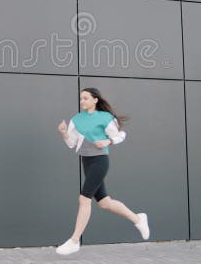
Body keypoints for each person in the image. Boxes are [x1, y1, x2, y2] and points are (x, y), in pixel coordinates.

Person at [54, 87, 150, 255]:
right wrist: (63, 133)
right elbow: (71, 143)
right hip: (86, 161)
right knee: (104, 202)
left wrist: (107, 142)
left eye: (85, 98)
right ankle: (138, 219)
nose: (82, 101)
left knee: (84, 199)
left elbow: (121, 135)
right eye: (81, 98)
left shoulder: (105, 117)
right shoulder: (76, 120)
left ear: (95, 100)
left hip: (100, 161)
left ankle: (74, 241)